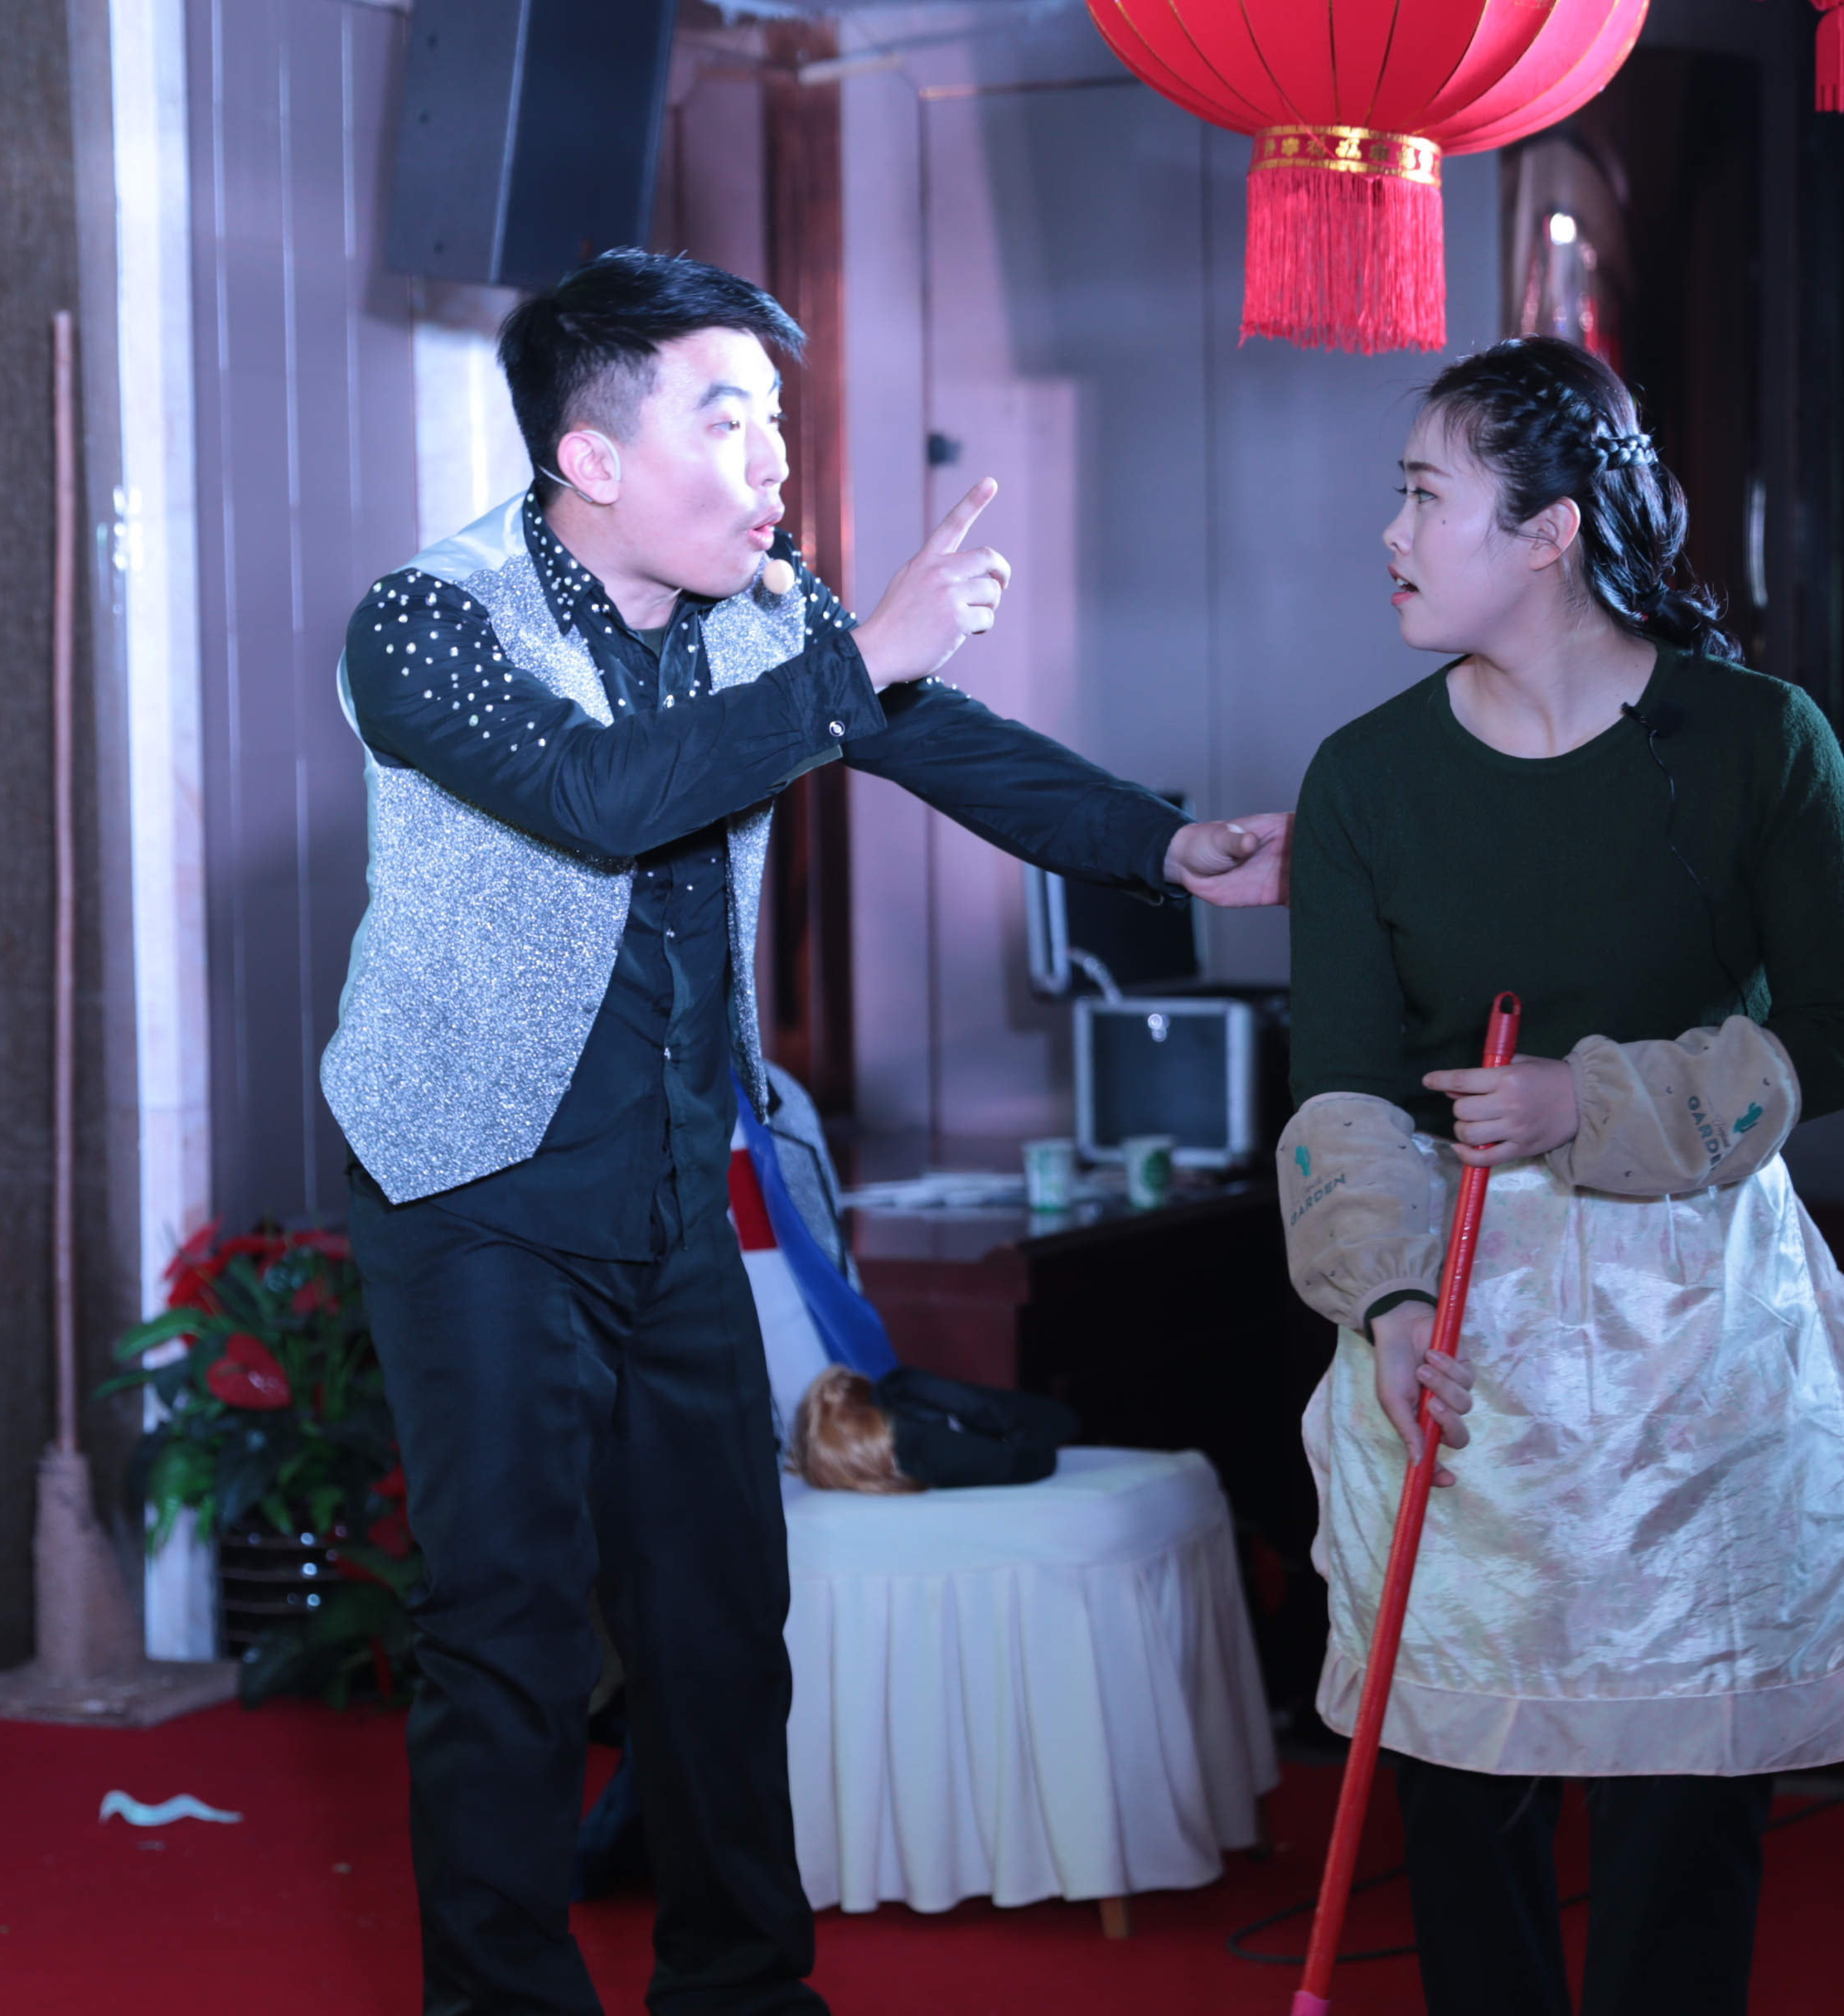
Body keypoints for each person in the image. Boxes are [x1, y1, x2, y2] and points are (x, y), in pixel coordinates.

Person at [322, 249, 1290, 2016]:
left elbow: (946, 740)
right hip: (471, 1186)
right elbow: (601, 798)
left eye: (777, 417)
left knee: (717, 1612)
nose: (776, 460)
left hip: (674, 1179)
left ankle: (744, 1989)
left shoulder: (764, 610)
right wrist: (866, 660)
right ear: (592, 455)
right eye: (728, 419)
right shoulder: (428, 620)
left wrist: (1160, 845)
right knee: (508, 1629)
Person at [1276, 336, 1844, 2016]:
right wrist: (1391, 1304)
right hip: (1458, 1300)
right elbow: (1342, 1086)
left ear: (1549, 530)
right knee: (1463, 1761)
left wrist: (1591, 1099)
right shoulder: (1363, 776)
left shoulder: (1760, 739)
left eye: (1425, 493)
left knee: (1682, 1770)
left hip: (1691, 1308)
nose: (1391, 532)